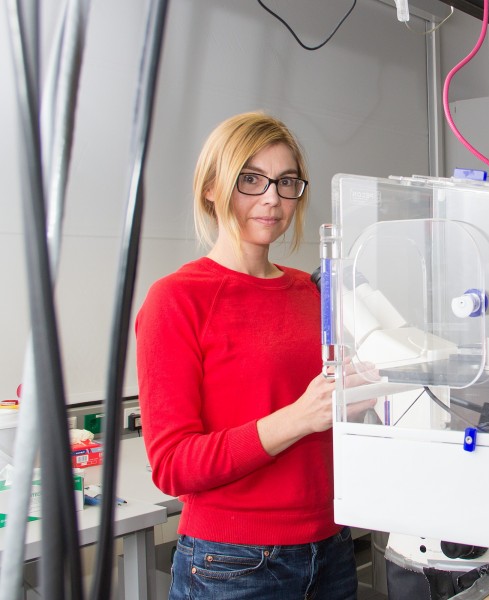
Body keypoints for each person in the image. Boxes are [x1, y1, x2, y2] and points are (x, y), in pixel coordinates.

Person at [135, 111, 373, 599]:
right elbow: (173, 466)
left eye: (286, 182)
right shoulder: (177, 299)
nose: (272, 198)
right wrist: (300, 417)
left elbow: (328, 419)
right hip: (233, 563)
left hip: (331, 546)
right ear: (210, 187)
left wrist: (362, 400)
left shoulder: (311, 292)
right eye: (251, 179)